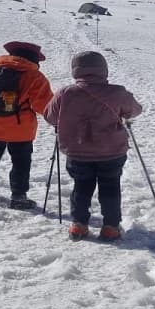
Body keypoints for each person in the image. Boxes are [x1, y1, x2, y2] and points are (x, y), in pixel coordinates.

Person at [44, 51, 143, 241]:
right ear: (103, 69)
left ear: (75, 70)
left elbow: (50, 116)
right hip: (111, 151)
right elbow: (135, 110)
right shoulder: (117, 92)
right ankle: (111, 228)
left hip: (77, 151)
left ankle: (78, 225)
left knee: (81, 187)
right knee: (110, 187)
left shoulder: (66, 92)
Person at [0, 41, 54, 209]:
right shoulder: (35, 77)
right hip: (20, 128)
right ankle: (18, 195)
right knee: (21, 161)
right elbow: (44, 106)